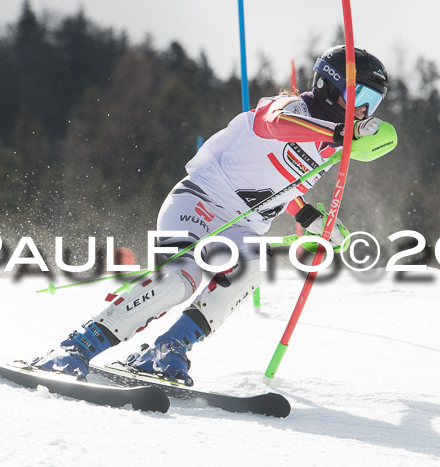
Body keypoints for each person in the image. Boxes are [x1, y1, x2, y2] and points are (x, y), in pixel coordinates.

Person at [31, 45, 390, 385]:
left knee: (256, 265)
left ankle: (166, 350)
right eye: (359, 97)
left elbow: (280, 185)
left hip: (242, 224)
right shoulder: (291, 108)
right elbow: (273, 125)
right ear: (329, 84)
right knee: (180, 279)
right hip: (199, 201)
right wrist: (337, 131)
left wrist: (311, 217)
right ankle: (76, 346)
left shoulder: (335, 145)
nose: (363, 111)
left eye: (373, 104)